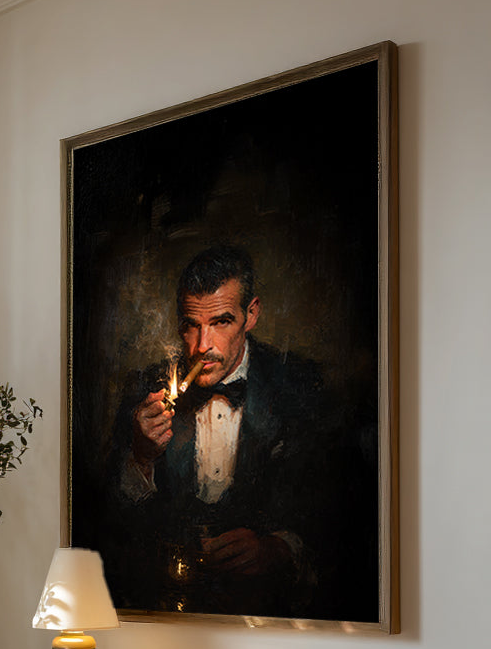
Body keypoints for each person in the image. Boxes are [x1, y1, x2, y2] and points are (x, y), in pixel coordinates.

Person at [103, 244, 352, 619]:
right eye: (191, 325)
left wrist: (277, 549)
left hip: (274, 615)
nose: (203, 346)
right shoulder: (142, 388)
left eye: (221, 322)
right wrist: (141, 458)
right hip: (168, 615)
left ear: (250, 314)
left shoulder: (302, 387)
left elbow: (338, 519)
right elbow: (109, 526)